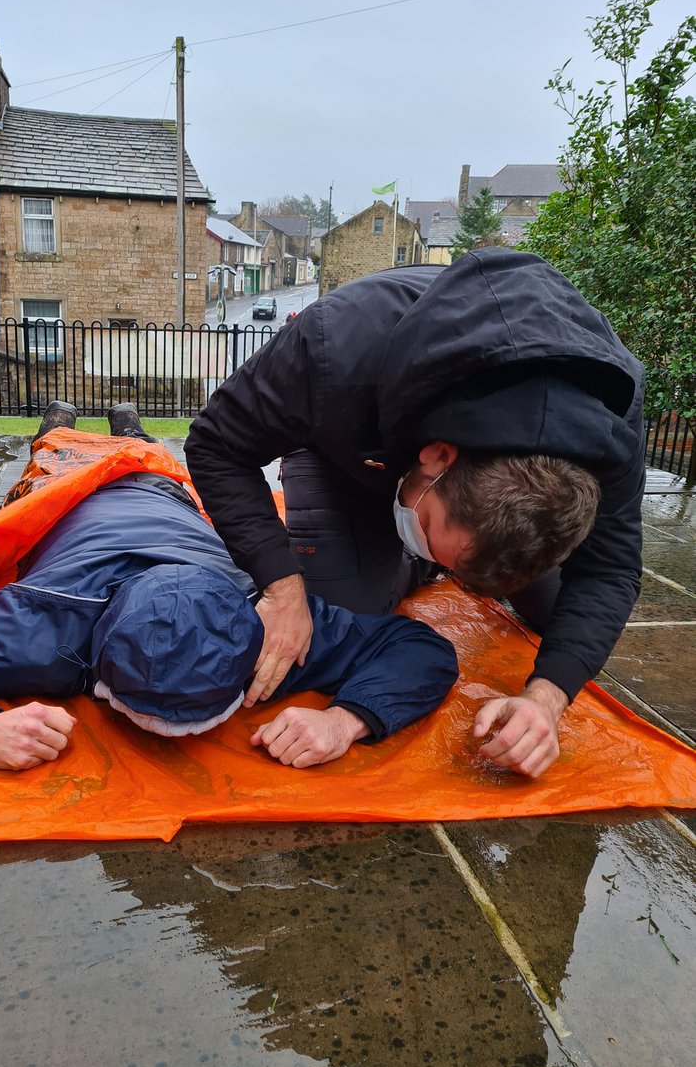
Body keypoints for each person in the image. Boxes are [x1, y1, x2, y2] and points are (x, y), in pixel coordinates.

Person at [184, 248, 645, 779]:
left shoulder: (609, 421)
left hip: (429, 458)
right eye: (427, 532)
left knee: (560, 615)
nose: (458, 582)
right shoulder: (338, 345)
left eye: (454, 567)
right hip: (341, 450)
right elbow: (216, 443)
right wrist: (281, 586)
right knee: (337, 619)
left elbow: (610, 570)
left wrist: (548, 696)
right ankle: (400, 560)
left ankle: (422, 556)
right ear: (438, 456)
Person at [0, 404, 458, 772]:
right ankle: (56, 423)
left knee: (150, 459)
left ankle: (128, 427)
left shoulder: (275, 628)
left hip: (162, 495)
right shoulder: (39, 626)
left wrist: (347, 722)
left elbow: (421, 648)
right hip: (66, 498)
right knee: (54, 454)